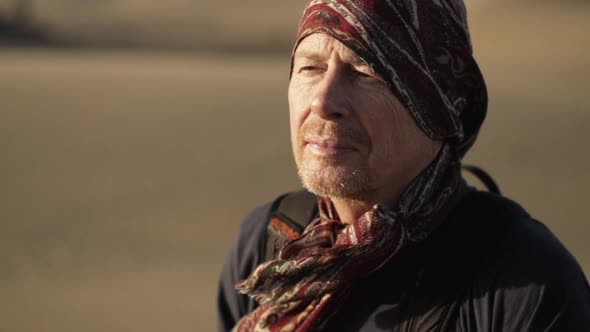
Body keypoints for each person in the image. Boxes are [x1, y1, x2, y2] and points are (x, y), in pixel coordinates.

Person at [218, 0, 590, 331]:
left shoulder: (524, 279)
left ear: (438, 106)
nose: (323, 101)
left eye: (364, 72)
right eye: (310, 68)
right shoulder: (271, 243)